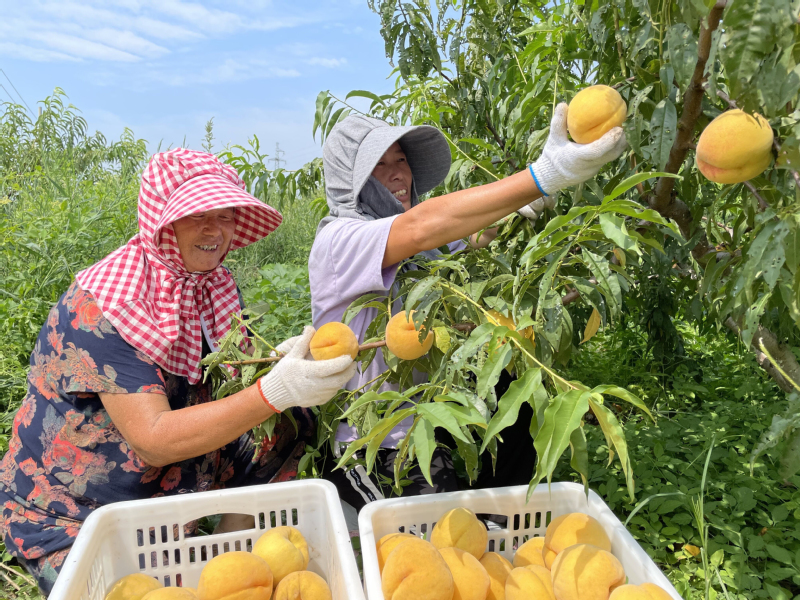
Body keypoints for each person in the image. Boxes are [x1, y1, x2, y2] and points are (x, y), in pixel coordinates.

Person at [0, 149, 356, 595]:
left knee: (286, 424)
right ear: (162, 223)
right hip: (81, 504)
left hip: (177, 470)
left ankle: (228, 557)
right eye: (196, 214)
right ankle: (179, 551)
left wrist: (271, 366)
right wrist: (273, 389)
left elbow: (226, 376)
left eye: (224, 213)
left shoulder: (210, 284)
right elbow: (153, 440)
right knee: (128, 587)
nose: (214, 229)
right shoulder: (110, 304)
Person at [309, 104, 626, 512]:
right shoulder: (341, 240)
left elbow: (466, 236)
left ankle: (500, 517)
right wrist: (541, 177)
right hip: (367, 440)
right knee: (428, 534)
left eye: (401, 159)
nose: (398, 173)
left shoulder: (412, 241)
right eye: (378, 166)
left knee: (514, 392)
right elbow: (424, 227)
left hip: (426, 418)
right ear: (350, 184)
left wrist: (516, 207)